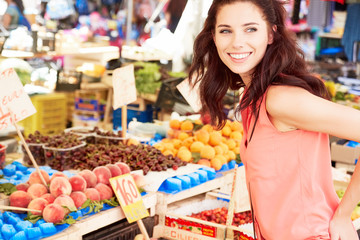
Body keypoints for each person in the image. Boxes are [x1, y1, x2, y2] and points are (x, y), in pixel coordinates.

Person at [188, 0, 360, 239]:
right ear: (213, 37)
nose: (237, 41)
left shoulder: (279, 99)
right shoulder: (252, 94)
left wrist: (343, 214)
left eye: (250, 29)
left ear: (271, 34)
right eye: (226, 30)